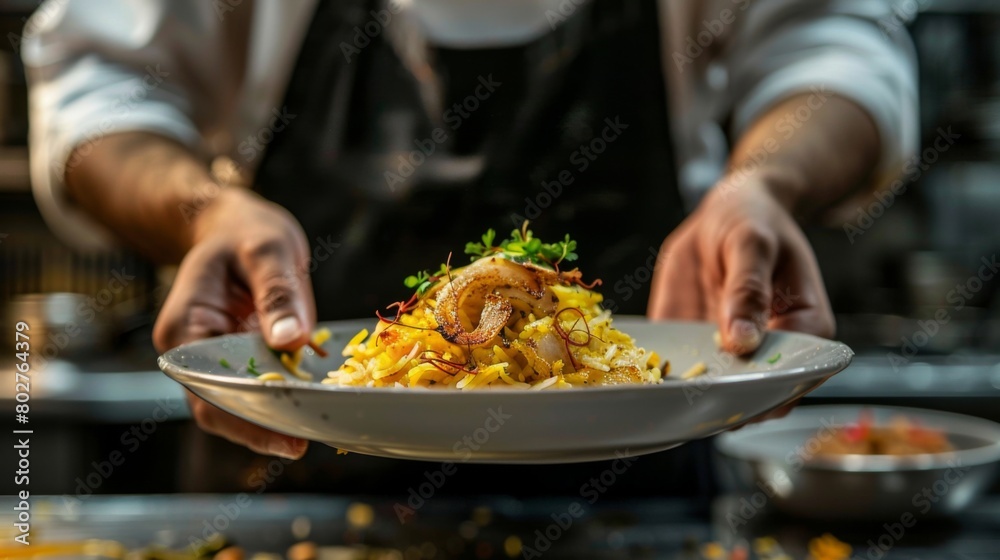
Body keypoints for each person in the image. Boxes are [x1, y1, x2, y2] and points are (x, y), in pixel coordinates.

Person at [22, 0, 916, 461]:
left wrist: (764, 184)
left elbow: (833, 40)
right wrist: (202, 211)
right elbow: (99, 85)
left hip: (646, 463)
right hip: (296, 472)